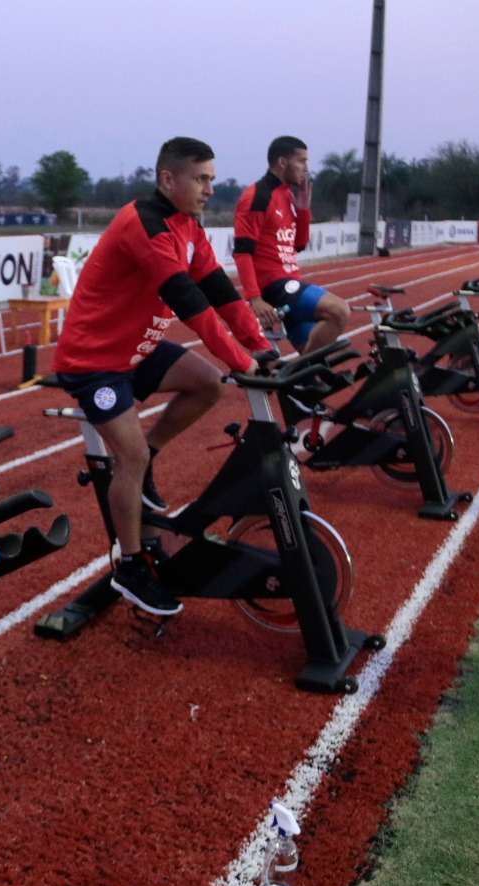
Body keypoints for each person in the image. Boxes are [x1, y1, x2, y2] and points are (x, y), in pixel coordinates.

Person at [53, 136, 270, 617]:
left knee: (208, 383)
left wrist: (257, 345)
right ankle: (129, 567)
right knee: (125, 458)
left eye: (212, 179)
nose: (210, 189)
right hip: (94, 361)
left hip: (137, 350)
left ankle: (150, 455)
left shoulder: (188, 225)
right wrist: (241, 360)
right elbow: (190, 304)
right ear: (167, 179)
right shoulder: (145, 225)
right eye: (200, 179)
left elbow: (217, 288)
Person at [232, 135, 350, 352]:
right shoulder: (258, 196)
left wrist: (304, 210)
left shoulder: (287, 195)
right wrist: (255, 299)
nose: (306, 168)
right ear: (282, 162)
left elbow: (299, 245)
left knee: (317, 364)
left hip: (290, 283)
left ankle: (301, 379)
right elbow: (242, 252)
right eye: (301, 161)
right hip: (275, 288)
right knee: (339, 311)